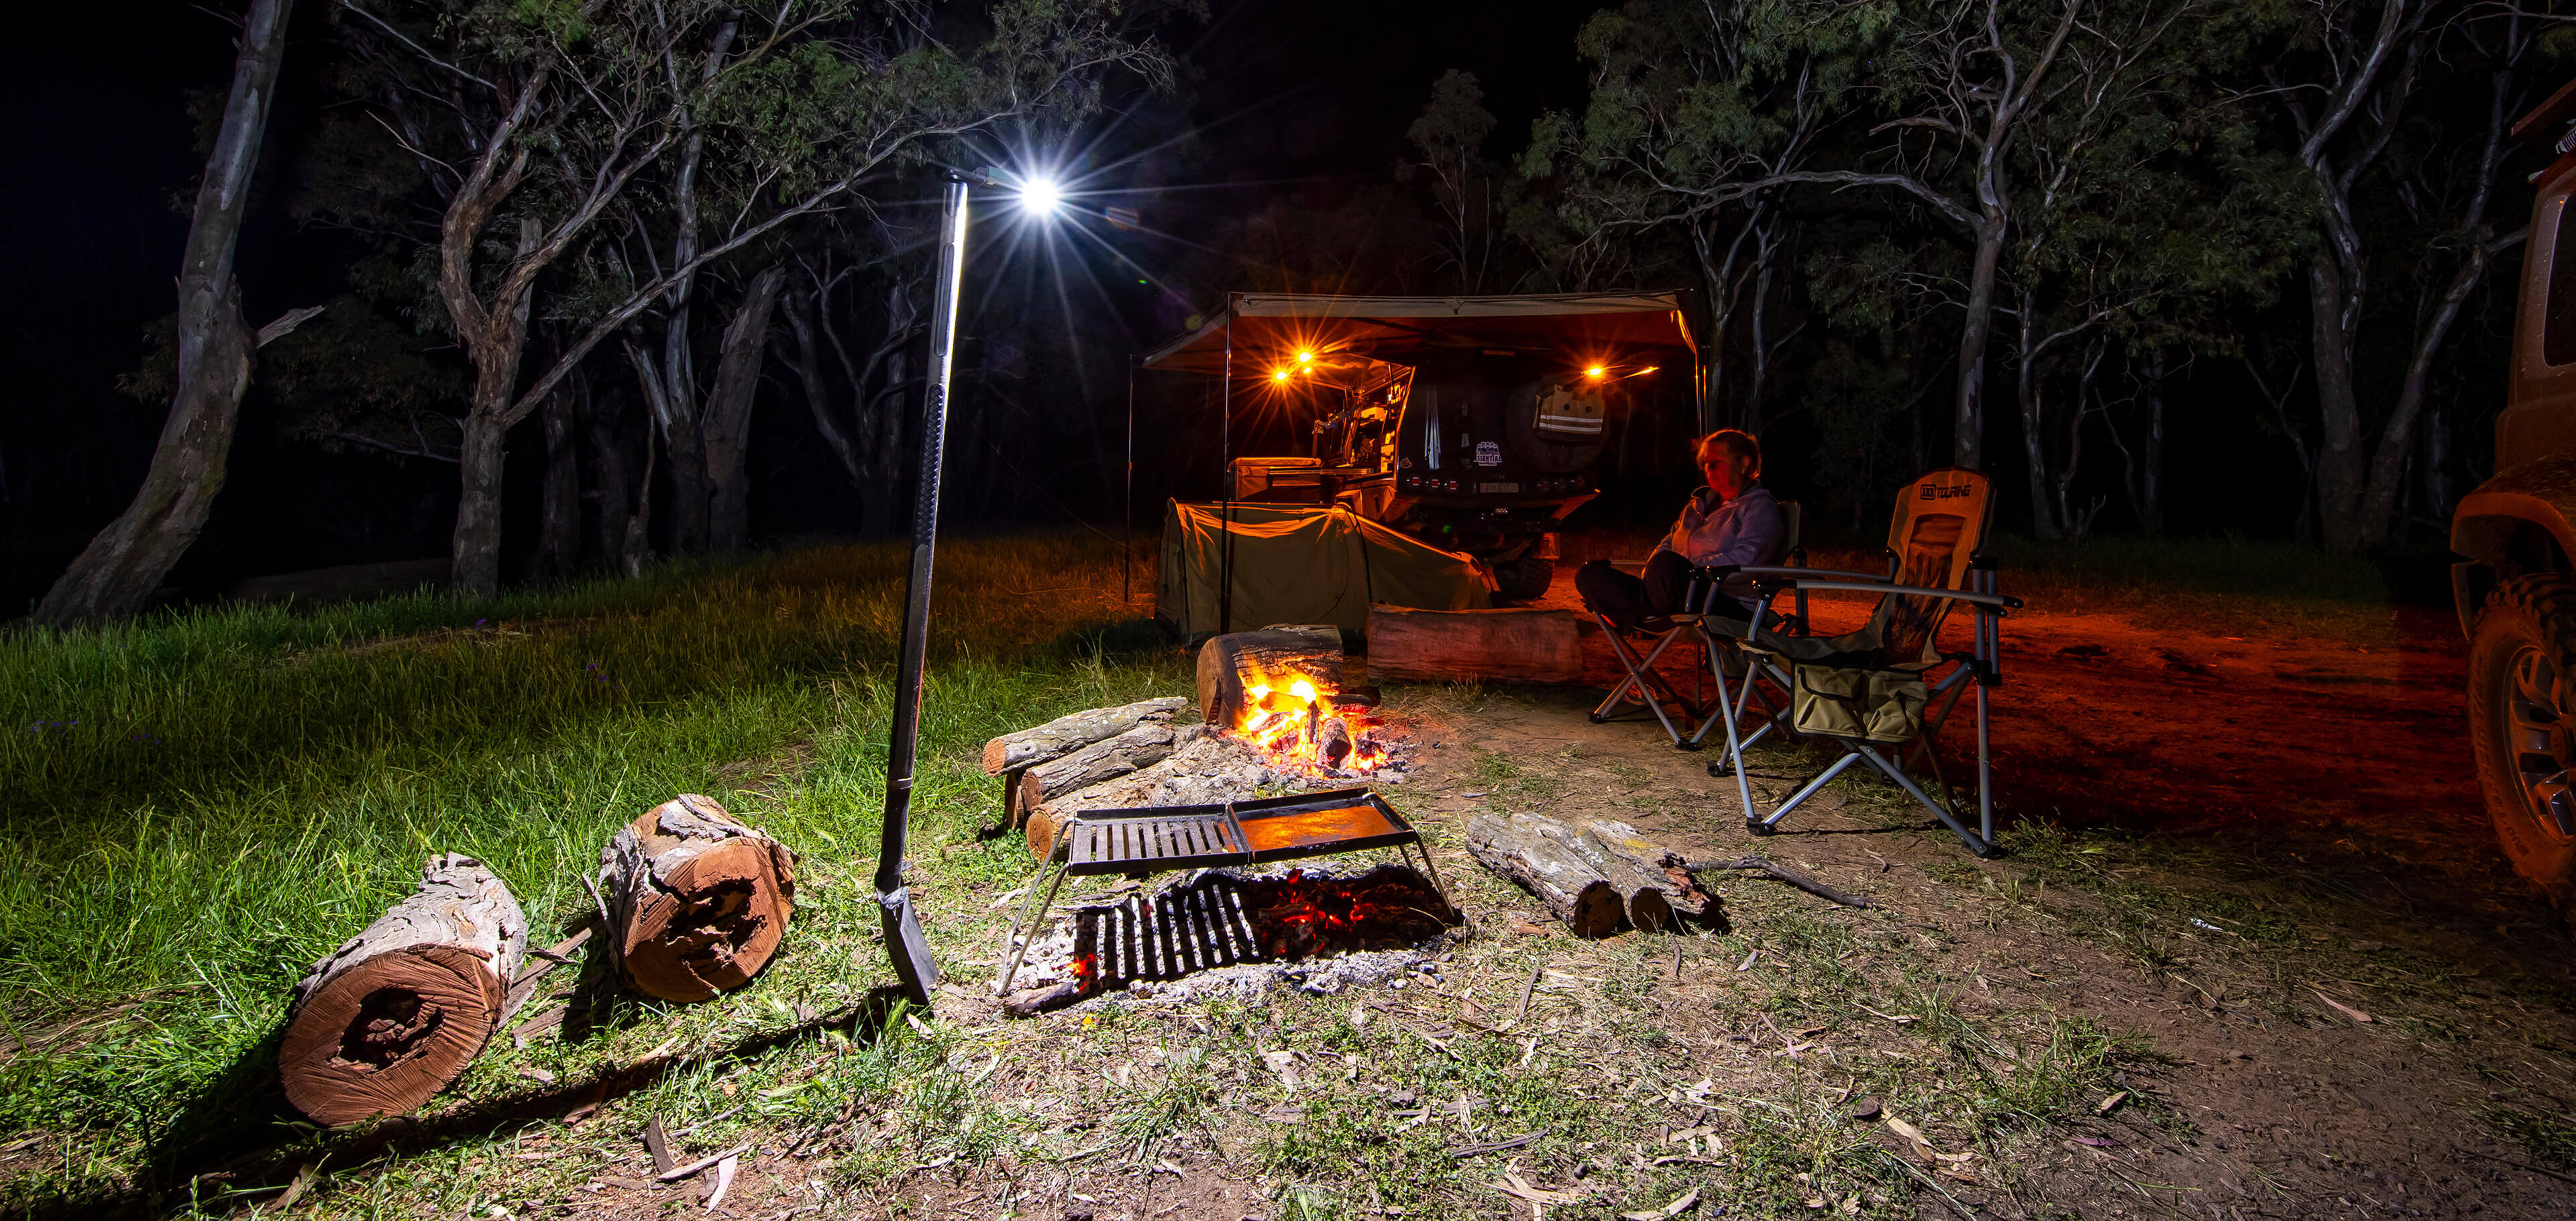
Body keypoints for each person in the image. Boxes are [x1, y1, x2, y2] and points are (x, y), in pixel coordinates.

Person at [1576, 429, 1784, 631]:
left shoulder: (1760, 507)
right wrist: (1655, 572)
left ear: (1744, 463)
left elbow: (1750, 559)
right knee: (1589, 574)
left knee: (1666, 565)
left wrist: (1691, 571)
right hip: (1676, 591)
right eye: (1706, 463)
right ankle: (1643, 614)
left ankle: (1631, 614)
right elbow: (1668, 543)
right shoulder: (1698, 506)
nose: (1709, 468)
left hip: (1725, 601)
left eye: (1717, 462)